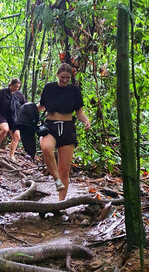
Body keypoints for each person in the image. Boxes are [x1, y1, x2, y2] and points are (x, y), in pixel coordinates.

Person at [37, 63, 91, 200]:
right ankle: (56, 179)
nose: (65, 80)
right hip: (50, 126)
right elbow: (41, 106)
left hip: (67, 128)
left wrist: (86, 121)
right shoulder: (49, 88)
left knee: (64, 170)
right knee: (46, 148)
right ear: (57, 75)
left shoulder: (74, 90)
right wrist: (27, 112)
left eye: (67, 78)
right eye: (62, 77)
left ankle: (60, 203)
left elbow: (79, 112)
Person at [0, 78, 27, 161]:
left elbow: (25, 105)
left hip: (14, 118)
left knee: (16, 137)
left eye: (18, 87)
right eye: (15, 86)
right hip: (2, 115)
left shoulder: (19, 94)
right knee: (5, 129)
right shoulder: (3, 92)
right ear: (11, 85)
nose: (16, 89)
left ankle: (11, 155)